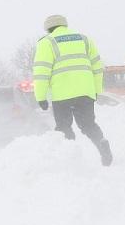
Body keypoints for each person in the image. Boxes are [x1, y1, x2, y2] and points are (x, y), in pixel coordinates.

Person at [32, 14, 113, 166]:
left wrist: (40, 97)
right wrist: (96, 90)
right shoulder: (84, 39)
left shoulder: (47, 42)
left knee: (64, 127)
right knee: (88, 125)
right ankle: (102, 144)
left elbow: (41, 71)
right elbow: (97, 66)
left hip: (62, 94)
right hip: (85, 92)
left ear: (48, 29)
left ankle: (70, 161)